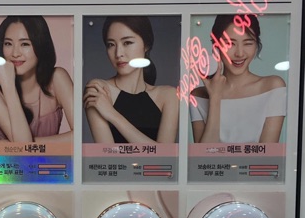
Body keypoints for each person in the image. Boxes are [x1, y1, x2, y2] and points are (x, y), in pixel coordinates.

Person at [190, 14, 286, 144]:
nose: (239, 53)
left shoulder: (273, 87)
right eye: (230, 44)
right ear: (216, 47)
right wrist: (215, 97)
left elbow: (267, 154)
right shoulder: (197, 96)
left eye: (248, 43)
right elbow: (203, 155)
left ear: (256, 45)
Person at [83, 16, 178, 144]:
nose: (118, 53)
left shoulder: (169, 95)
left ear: (146, 45)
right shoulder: (98, 90)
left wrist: (112, 114)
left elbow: (165, 155)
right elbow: (107, 153)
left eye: (127, 43)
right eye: (111, 45)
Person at [0, 16, 73, 143]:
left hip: (46, 159)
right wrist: (8, 85)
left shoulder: (57, 79)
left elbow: (80, 137)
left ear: (40, 45)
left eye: (24, 44)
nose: (15, 53)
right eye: (8, 44)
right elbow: (23, 147)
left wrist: (9, 146)